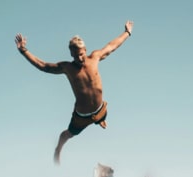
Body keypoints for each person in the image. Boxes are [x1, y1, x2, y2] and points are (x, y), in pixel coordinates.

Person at [14, 21, 134, 164]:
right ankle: (58, 148)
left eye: (82, 54)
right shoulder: (67, 68)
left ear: (86, 50)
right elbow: (44, 66)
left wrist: (127, 32)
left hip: (101, 109)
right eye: (76, 56)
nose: (80, 58)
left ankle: (99, 120)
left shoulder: (95, 57)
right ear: (71, 54)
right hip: (81, 117)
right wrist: (23, 51)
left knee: (102, 117)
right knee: (67, 135)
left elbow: (112, 46)